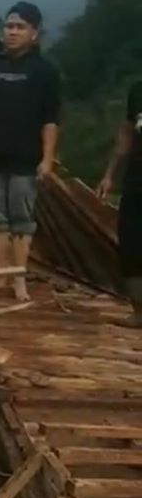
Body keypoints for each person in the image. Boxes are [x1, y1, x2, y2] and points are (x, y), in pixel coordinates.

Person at [0, 1, 61, 301]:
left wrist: (47, 158)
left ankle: (19, 278)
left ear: (35, 33)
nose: (13, 32)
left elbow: (51, 120)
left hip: (26, 160)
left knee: (22, 220)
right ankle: (0, 274)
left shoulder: (45, 72)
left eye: (20, 27)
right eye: (9, 26)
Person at [97, 81, 142, 328]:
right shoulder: (137, 90)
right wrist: (109, 174)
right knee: (131, 246)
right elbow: (126, 134)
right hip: (136, 182)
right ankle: (139, 312)